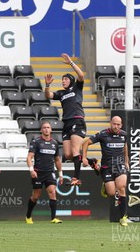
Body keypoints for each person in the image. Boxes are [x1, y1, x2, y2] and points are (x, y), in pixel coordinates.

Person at [45, 53, 86, 186]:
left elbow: (81, 76)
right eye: (62, 80)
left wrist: (71, 63)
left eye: (66, 79)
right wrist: (47, 85)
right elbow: (49, 95)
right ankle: (88, 160)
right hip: (67, 123)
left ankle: (76, 178)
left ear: (71, 81)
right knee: (68, 155)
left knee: (74, 151)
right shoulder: (61, 93)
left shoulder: (76, 88)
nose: (63, 81)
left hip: (77, 120)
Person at [81, 116, 130, 226]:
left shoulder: (123, 134)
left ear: (121, 125)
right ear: (110, 123)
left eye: (118, 124)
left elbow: (125, 146)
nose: (116, 126)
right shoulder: (103, 134)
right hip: (106, 167)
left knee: (122, 187)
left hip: (119, 164)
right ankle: (105, 184)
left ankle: (123, 217)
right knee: (112, 192)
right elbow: (85, 143)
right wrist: (84, 158)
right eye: (114, 124)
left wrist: (126, 161)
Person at [25, 121, 64, 224]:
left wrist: (60, 175)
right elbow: (29, 157)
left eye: (48, 127)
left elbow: (57, 160)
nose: (46, 129)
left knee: (52, 192)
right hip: (38, 172)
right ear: (41, 130)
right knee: (36, 196)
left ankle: (53, 218)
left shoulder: (54, 143)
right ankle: (28, 216)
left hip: (50, 172)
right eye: (44, 127)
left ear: (51, 130)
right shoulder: (36, 142)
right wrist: (31, 170)